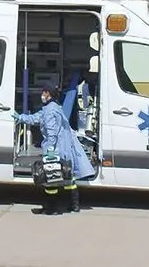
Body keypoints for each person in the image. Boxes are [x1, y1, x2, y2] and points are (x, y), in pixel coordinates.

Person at [13, 86, 95, 215]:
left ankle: (51, 208)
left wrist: (50, 149)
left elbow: (52, 132)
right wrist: (21, 117)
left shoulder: (50, 110)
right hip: (63, 147)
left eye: (44, 93)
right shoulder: (53, 107)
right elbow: (36, 118)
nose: (42, 95)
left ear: (49, 95)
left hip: (56, 148)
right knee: (68, 177)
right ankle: (74, 206)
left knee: (51, 178)